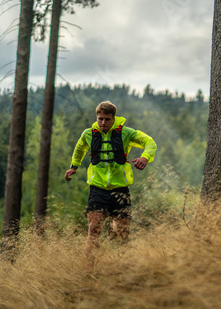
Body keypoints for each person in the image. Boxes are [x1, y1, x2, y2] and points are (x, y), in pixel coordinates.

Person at [65, 101, 156, 270]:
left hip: (120, 190)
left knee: (122, 233)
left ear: (114, 118)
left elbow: (150, 142)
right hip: (97, 189)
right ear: (96, 118)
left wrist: (145, 157)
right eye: (100, 119)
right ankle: (89, 270)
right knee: (93, 229)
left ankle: (117, 260)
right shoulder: (88, 134)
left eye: (107, 119)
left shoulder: (126, 133)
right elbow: (79, 149)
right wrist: (73, 167)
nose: (103, 123)